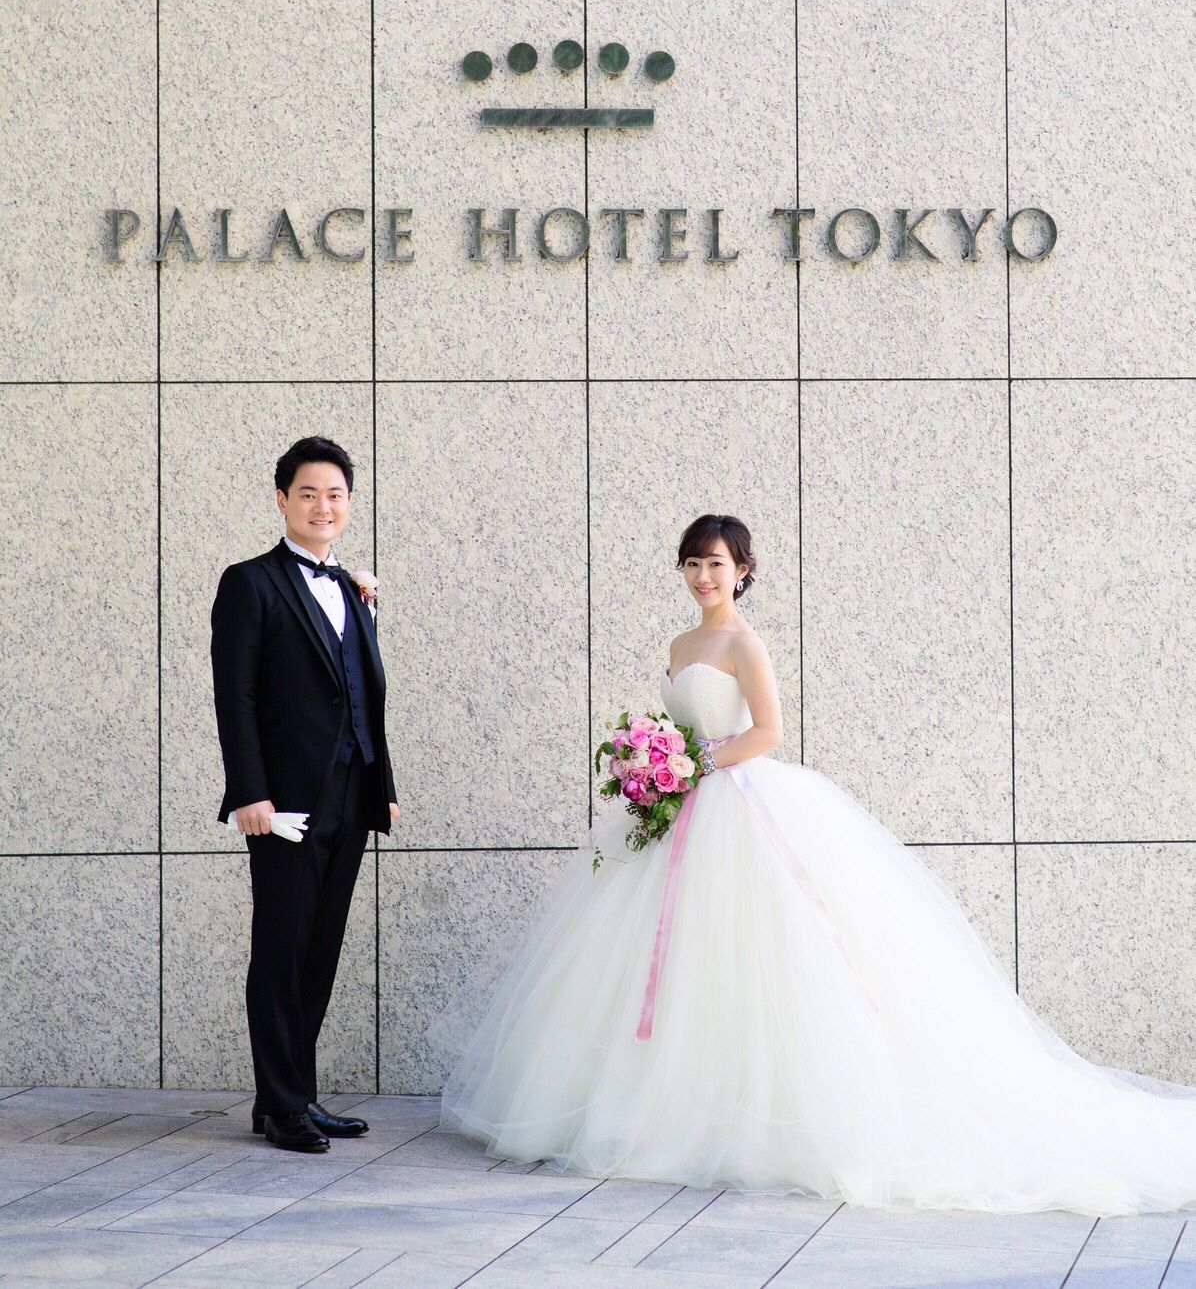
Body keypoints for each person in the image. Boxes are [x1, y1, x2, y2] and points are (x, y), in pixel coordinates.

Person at [437, 512, 1196, 1214]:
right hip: (683, 808)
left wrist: (696, 764)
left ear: (742, 570)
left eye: (716, 564)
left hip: (736, 802)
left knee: (761, 953)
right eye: (693, 564)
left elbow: (767, 731)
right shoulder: (678, 646)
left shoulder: (744, 644)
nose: (703, 576)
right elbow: (675, 723)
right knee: (672, 961)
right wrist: (656, 762)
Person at [211, 435, 398, 1153]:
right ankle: (283, 1104)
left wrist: (383, 785)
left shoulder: (351, 587)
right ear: (282, 499)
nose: (324, 506)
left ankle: (293, 1097)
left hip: (352, 792)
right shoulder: (249, 583)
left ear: (349, 503)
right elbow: (236, 695)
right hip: (283, 802)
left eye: (336, 495)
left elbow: (366, 694)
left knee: (320, 949)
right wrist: (248, 793)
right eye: (309, 493)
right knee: (281, 948)